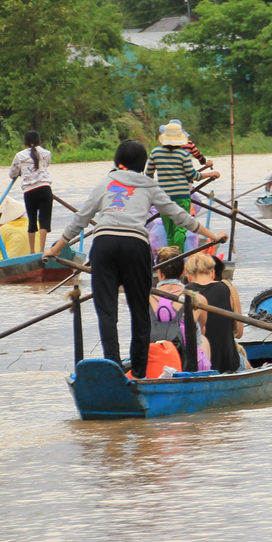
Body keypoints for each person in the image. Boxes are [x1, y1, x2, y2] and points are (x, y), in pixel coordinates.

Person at [46, 140, 213, 380]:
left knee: (107, 311)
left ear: (117, 163)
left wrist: (56, 248)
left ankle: (113, 365)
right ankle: (139, 372)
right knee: (139, 311)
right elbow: (180, 216)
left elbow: (81, 220)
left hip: (104, 245)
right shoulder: (149, 184)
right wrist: (212, 235)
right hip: (135, 246)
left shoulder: (105, 183)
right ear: (143, 164)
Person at [183, 251, 242, 373]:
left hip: (199, 365)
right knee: (245, 361)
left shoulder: (185, 292)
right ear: (213, 273)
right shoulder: (229, 288)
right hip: (228, 362)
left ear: (189, 276)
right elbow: (239, 332)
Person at [146, 120, 202, 248]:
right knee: (181, 228)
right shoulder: (184, 154)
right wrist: (210, 174)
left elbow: (148, 174)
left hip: (163, 197)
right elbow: (193, 175)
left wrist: (154, 189)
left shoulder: (156, 152)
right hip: (181, 196)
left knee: (169, 229)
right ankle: (179, 258)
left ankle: (171, 258)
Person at [145, 245, 190, 376]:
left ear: (159, 272)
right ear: (183, 271)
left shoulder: (146, 297)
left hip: (152, 352)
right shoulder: (193, 297)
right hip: (183, 356)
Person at [8, 130, 53, 254]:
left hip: (29, 191)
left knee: (32, 220)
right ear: (39, 141)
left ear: (25, 143)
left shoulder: (19, 156)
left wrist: (21, 171)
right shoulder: (46, 153)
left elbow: (12, 174)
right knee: (44, 220)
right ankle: (42, 250)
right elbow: (46, 164)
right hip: (45, 188)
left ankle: (32, 252)